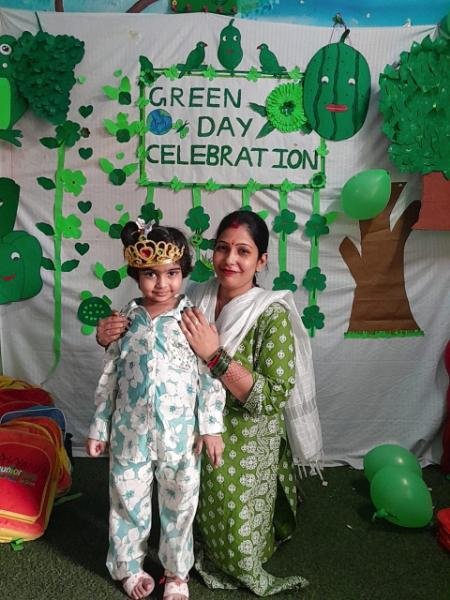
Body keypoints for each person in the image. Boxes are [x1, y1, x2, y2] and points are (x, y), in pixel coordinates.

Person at [96, 210, 322, 596]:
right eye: (222, 248)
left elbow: (271, 398)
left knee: (233, 552)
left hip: (242, 437)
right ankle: (147, 563)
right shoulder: (193, 296)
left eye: (243, 251)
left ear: (261, 261)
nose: (230, 259)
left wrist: (214, 356)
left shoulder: (271, 314)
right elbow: (132, 356)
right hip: (178, 428)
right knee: (157, 500)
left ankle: (182, 567)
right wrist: (107, 335)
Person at [87, 220, 225, 600]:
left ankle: (176, 573)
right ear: (136, 274)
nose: (162, 284)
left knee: (180, 506)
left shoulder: (192, 320)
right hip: (129, 434)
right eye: (151, 274)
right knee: (127, 502)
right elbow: (110, 377)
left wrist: (211, 427)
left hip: (180, 439)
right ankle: (128, 567)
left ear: (184, 273)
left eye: (172, 273)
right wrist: (100, 426)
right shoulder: (125, 320)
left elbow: (209, 375)